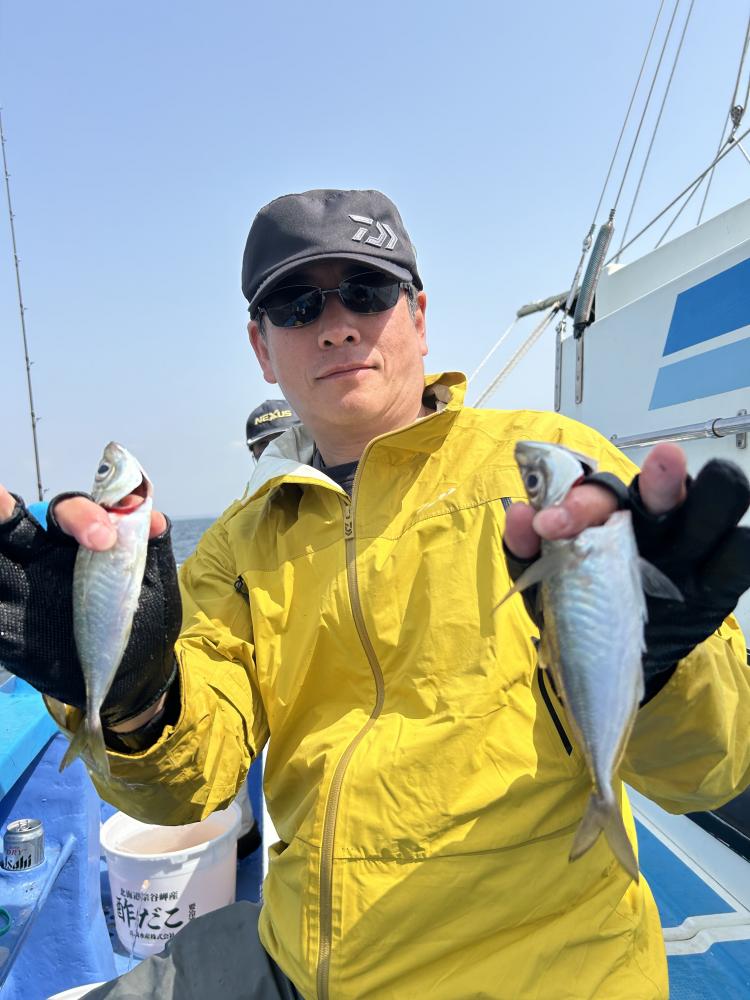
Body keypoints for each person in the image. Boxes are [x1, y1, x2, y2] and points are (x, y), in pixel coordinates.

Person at [1, 188, 750, 1000]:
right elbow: (187, 789)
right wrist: (132, 697)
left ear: (419, 316)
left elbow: (712, 771)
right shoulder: (240, 542)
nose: (336, 325)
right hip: (297, 958)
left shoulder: (555, 467)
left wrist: (664, 672)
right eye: (295, 304)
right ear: (261, 347)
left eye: (367, 290)